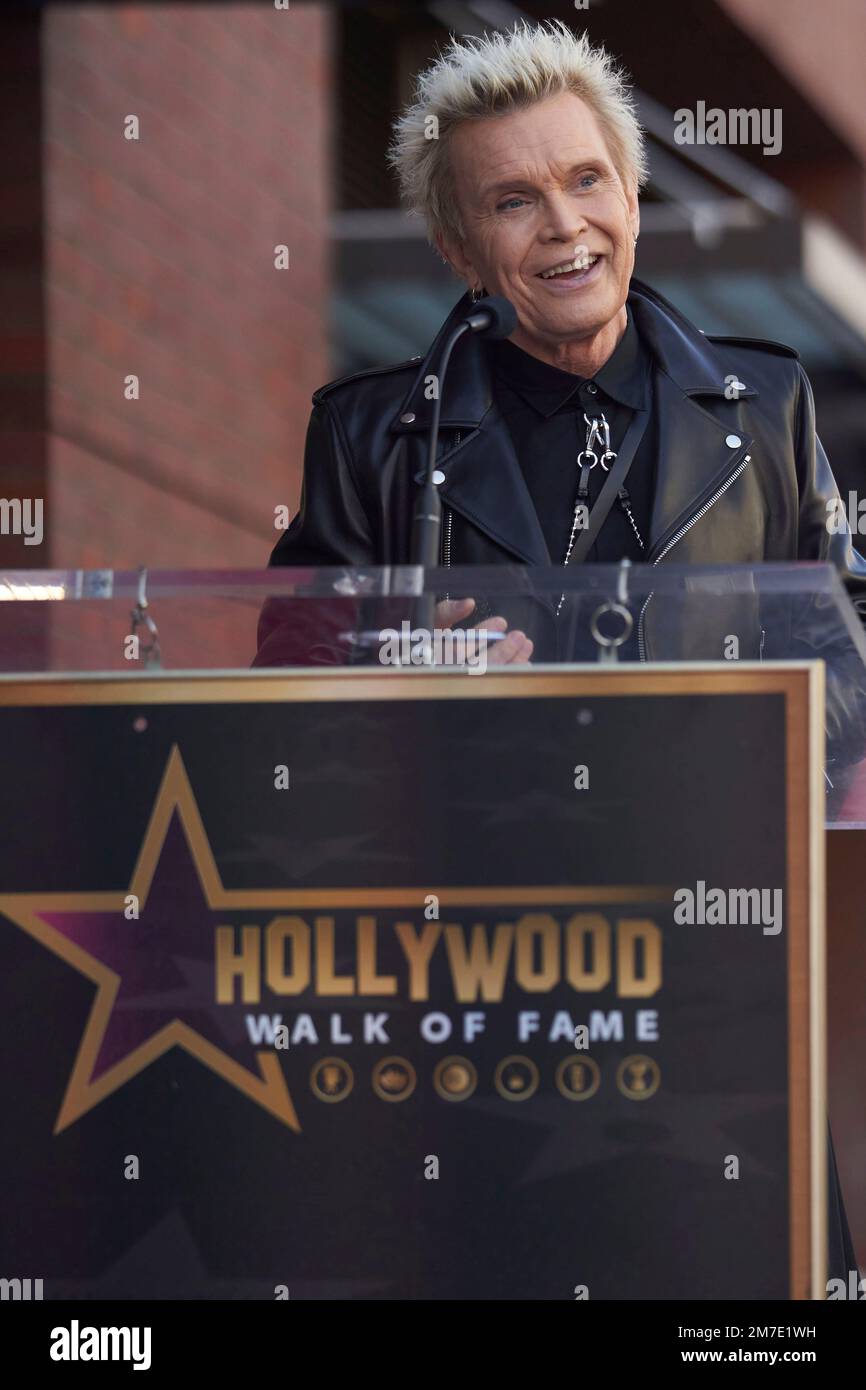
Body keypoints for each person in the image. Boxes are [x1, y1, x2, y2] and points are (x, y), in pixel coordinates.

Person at [261, 18, 861, 1285]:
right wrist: (387, 663)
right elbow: (284, 691)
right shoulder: (368, 435)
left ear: (631, 191)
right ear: (457, 248)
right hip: (480, 984)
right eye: (513, 199)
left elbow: (840, 658)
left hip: (713, 960)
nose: (563, 225)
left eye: (586, 179)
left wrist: (758, 791)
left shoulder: (768, 405)